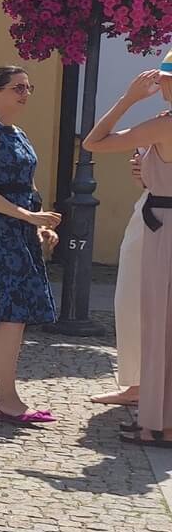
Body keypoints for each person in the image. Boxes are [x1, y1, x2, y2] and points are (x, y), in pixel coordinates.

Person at [0, 65, 61, 425]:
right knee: (10, 312)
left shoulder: (17, 132)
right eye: (18, 87)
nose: (25, 94)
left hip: (17, 229)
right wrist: (28, 217)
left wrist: (38, 225)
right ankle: (7, 399)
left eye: (28, 88)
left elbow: (28, 185)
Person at [81, 63, 172, 446]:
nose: (159, 82)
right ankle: (157, 417)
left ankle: (160, 424)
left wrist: (128, 99)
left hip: (164, 227)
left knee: (158, 322)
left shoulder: (163, 126)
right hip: (162, 217)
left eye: (164, 78)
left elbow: (94, 142)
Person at [96, 151, 148, 407]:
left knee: (133, 300)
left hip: (158, 213)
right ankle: (139, 384)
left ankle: (141, 386)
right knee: (132, 301)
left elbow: (95, 141)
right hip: (154, 206)